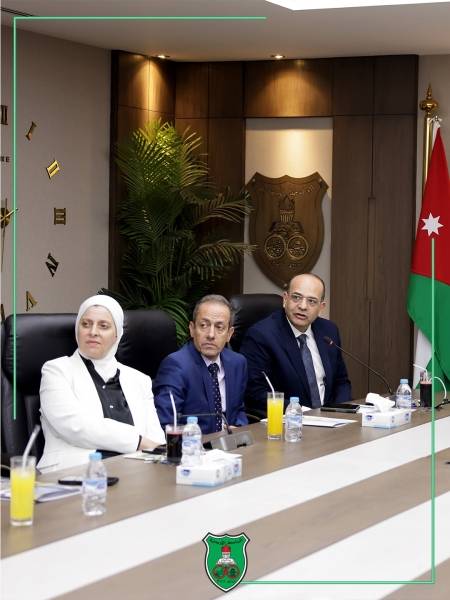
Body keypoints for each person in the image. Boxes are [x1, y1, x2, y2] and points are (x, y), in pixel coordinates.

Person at [37, 295, 165, 472]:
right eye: (86, 324)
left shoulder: (139, 380)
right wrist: (137, 441)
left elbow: (156, 439)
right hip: (73, 473)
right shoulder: (56, 371)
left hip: (136, 472)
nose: (93, 332)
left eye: (103, 326)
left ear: (117, 334)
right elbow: (76, 426)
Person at [240, 273, 351, 414]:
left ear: (321, 307)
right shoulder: (261, 335)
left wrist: (340, 412)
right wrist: (300, 411)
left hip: (331, 419)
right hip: (290, 420)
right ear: (285, 299)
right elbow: (255, 393)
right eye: (296, 297)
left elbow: (341, 381)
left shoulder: (329, 331)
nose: (303, 306)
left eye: (311, 301)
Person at [153, 295, 248, 434]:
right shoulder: (176, 366)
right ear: (192, 329)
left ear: (229, 334)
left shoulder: (237, 363)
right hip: (194, 444)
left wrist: (239, 428)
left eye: (219, 327)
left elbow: (238, 410)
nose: (211, 335)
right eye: (204, 325)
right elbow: (166, 424)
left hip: (231, 444)